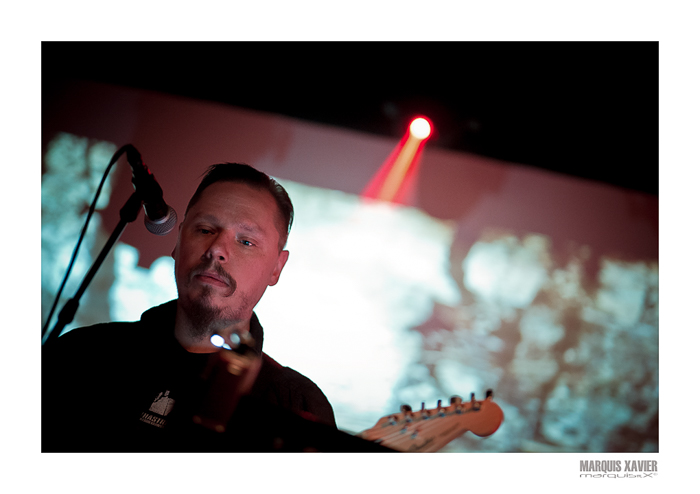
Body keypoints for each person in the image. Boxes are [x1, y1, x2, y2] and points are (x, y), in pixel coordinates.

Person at [42, 163, 387, 452]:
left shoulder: (297, 405)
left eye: (246, 241)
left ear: (276, 268)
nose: (217, 250)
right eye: (205, 229)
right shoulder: (80, 354)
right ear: (177, 244)